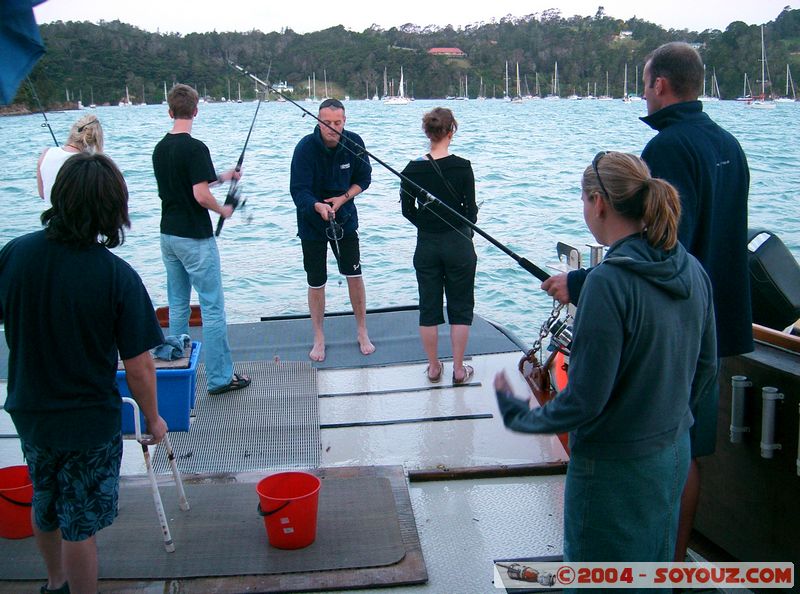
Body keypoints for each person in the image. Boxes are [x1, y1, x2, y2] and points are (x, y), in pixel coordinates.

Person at [542, 42, 752, 561]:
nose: (642, 91)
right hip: (711, 320)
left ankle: (647, 563)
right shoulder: (730, 144)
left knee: (662, 443)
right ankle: (670, 562)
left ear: (660, 84)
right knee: (686, 445)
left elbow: (651, 253)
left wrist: (586, 284)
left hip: (668, 328)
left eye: (643, 81)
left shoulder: (667, 151)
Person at [495, 152, 717, 567]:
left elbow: (585, 401)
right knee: (654, 567)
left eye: (583, 200)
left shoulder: (606, 284)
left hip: (613, 472)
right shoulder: (691, 268)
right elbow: (706, 368)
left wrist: (521, 417)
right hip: (673, 453)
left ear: (598, 203)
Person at [0, 153, 168, 594]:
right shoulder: (116, 275)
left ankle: (54, 583)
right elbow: (140, 367)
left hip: (30, 410)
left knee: (45, 501)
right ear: (112, 209)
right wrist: (153, 419)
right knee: (80, 524)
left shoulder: (15, 254)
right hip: (88, 422)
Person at [153, 83, 251, 395]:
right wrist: (223, 209)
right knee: (212, 308)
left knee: (178, 304)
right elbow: (199, 193)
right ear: (196, 110)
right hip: (195, 238)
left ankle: (177, 367)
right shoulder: (195, 148)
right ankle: (221, 378)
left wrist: (224, 176)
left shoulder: (160, 148)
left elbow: (190, 180)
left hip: (167, 235)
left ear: (170, 112)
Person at [289, 98, 375, 362]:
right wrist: (317, 206)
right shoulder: (305, 148)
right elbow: (298, 190)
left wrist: (343, 198)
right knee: (316, 281)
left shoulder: (354, 142)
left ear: (344, 121)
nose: (332, 128)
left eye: (337, 123)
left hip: (345, 217)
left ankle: (362, 331)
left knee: (354, 274)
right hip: (312, 221)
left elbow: (365, 178)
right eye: (327, 123)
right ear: (318, 121)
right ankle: (319, 337)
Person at [400, 107, 478, 384]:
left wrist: (428, 223)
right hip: (459, 242)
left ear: (427, 132)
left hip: (427, 244)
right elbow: (471, 211)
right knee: (460, 306)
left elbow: (407, 211)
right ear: (451, 131)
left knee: (429, 307)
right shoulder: (462, 166)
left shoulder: (411, 170)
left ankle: (434, 368)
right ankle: (458, 369)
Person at [36, 114, 104, 201]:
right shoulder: (90, 164)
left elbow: (42, 194)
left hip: (50, 213)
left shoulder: (45, 153)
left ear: (73, 131)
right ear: (96, 140)